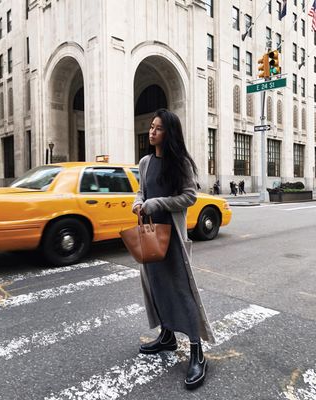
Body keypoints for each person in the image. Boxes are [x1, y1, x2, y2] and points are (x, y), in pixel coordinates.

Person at [132, 109, 215, 390]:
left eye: (157, 128)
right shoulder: (144, 162)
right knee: (157, 288)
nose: (152, 132)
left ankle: (196, 352)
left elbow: (189, 197)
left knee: (182, 292)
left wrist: (158, 204)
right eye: (151, 127)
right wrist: (138, 202)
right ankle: (167, 336)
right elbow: (141, 191)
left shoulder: (180, 163)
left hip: (174, 240)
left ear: (170, 133)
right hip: (151, 235)